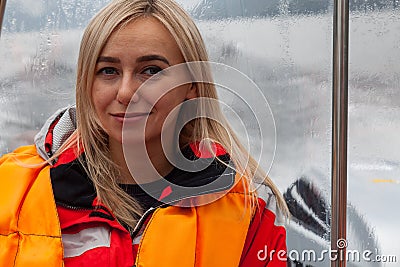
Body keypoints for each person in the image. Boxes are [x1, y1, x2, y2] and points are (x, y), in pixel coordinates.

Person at [0, 0, 288, 266]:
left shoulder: (249, 208)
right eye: (108, 71)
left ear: (192, 85)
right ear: (86, 84)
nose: (126, 92)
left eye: (151, 71)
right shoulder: (12, 189)